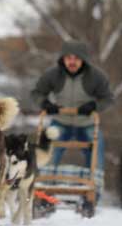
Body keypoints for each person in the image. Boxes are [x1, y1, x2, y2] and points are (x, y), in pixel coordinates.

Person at [31, 40, 114, 175]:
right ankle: (45, 185)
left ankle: (93, 188)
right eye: (68, 58)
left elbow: (108, 99)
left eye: (76, 58)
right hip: (60, 121)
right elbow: (37, 93)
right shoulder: (53, 75)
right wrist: (45, 104)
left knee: (96, 149)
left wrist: (94, 106)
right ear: (63, 59)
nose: (72, 62)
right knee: (48, 150)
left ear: (84, 60)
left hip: (86, 123)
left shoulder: (96, 76)